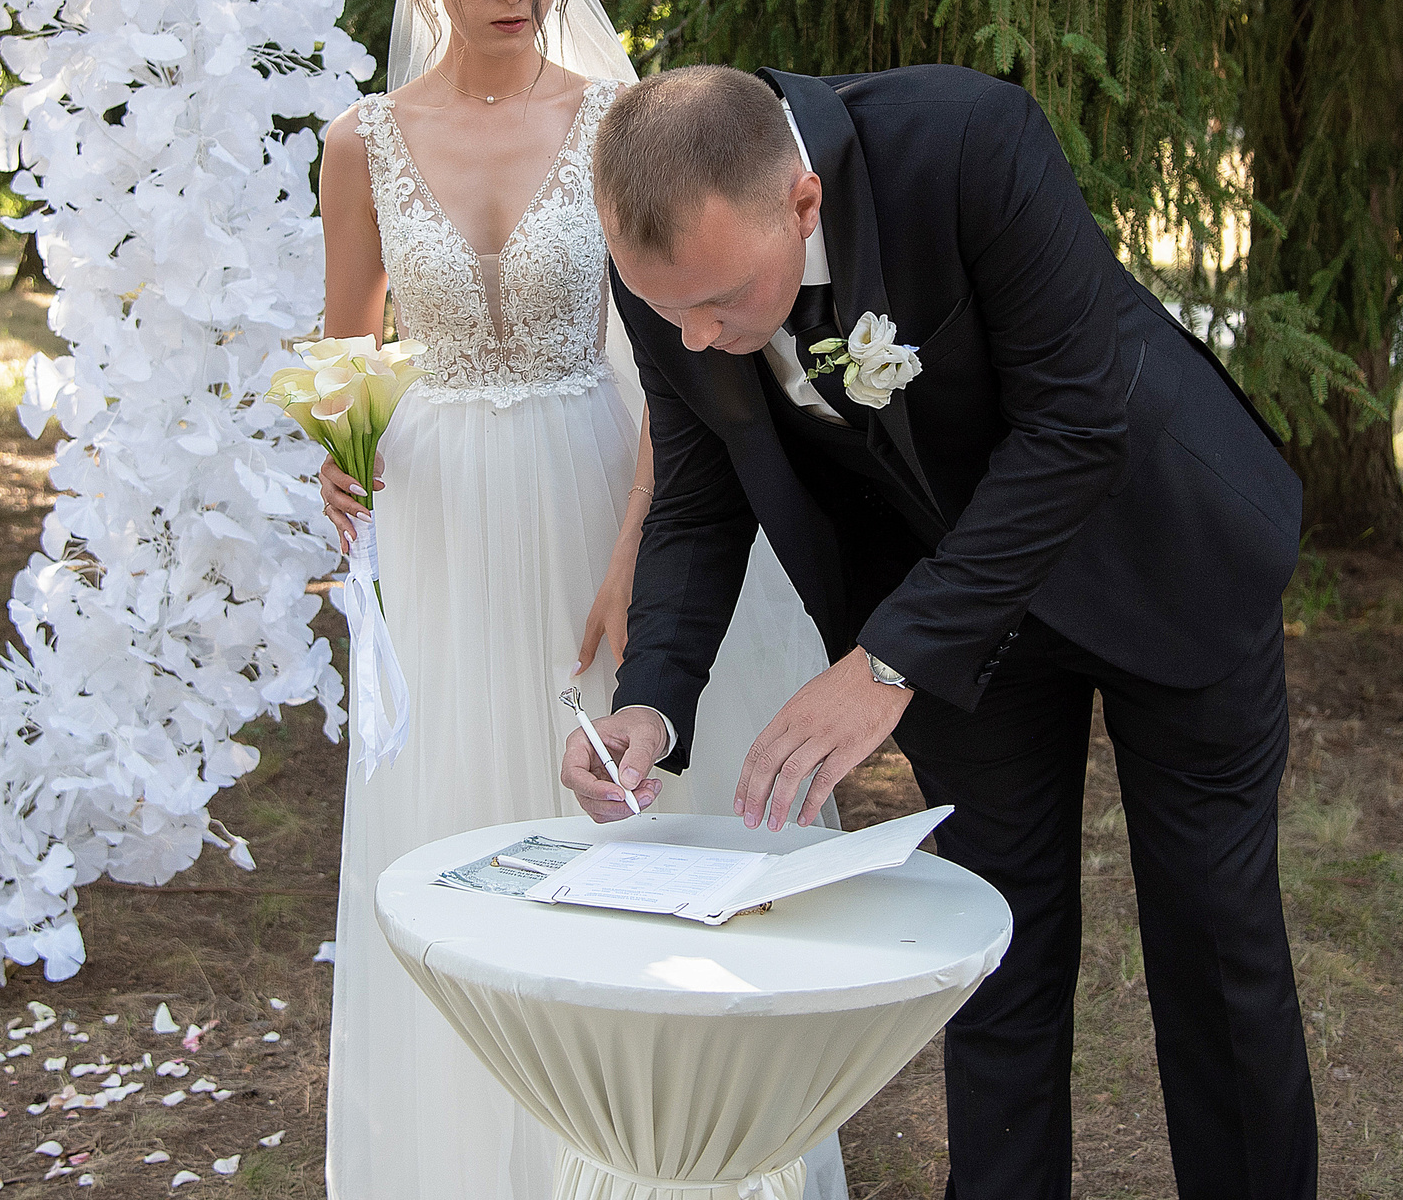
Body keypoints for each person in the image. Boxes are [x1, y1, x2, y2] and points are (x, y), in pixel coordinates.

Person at [561, 64, 1319, 1200]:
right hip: (955, 624)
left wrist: (889, 657)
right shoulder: (665, 274)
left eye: (721, 300)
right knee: (993, 949)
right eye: (670, 311)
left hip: (1161, 557)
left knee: (1217, 942)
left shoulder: (968, 142)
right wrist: (651, 701)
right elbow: (699, 490)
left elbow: (1076, 422)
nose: (701, 336)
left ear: (803, 204)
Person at [314, 0, 847, 1200]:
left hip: (592, 481)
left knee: (612, 814)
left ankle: (648, 1152)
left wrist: (626, 555)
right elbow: (348, 346)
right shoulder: (359, 145)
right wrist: (340, 449)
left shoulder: (615, 121)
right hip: (435, 517)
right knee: (453, 823)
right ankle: (470, 1159)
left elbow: (679, 364)